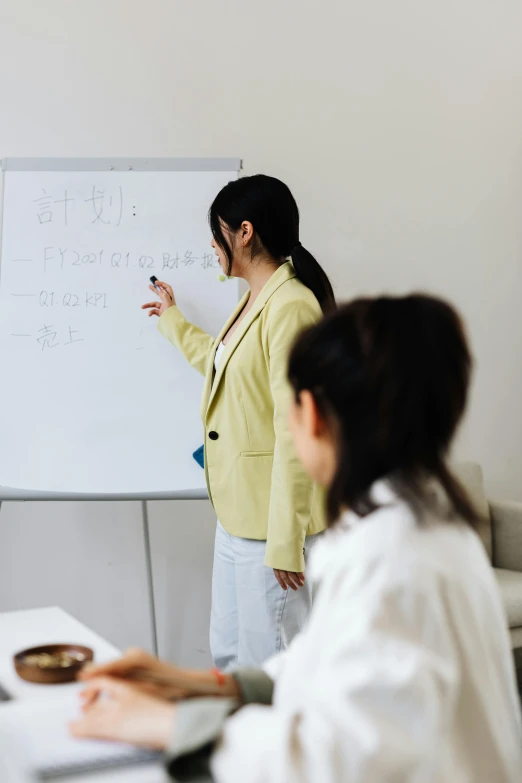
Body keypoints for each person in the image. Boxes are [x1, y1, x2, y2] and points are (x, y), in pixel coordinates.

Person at [72, 294, 522, 782]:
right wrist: (194, 683)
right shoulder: (418, 526)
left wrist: (167, 723)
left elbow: (339, 759)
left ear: (310, 414)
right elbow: (324, 662)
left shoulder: (394, 559)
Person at [142, 174, 334, 670]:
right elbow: (223, 362)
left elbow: (299, 430)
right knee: (229, 657)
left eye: (218, 231)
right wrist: (173, 319)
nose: (212, 243)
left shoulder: (290, 306)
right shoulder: (255, 297)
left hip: (272, 528)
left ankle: (277, 750)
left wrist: (287, 540)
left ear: (244, 232)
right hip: (237, 517)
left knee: (268, 664)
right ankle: (235, 749)